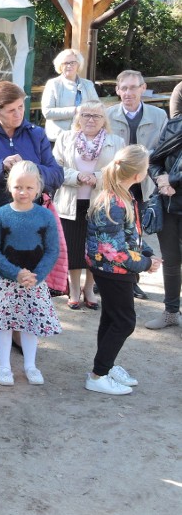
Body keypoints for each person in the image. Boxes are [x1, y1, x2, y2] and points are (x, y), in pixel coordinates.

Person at [0, 80, 63, 359]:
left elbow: (56, 173)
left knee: (26, 275)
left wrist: (27, 173)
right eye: (11, 109)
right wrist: (0, 167)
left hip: (29, 222)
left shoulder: (36, 134)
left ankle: (19, 333)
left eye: (21, 107)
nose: (18, 114)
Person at [0, 161, 62, 386]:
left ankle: (30, 365)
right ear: (10, 186)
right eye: (18, 187)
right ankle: (4, 366)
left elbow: (52, 250)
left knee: (29, 325)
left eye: (29, 188)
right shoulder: (0, 214)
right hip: (4, 281)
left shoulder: (45, 216)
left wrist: (36, 276)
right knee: (3, 324)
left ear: (38, 188)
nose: (23, 192)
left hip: (33, 282)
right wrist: (15, 273)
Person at [84, 144, 161, 395]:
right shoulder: (113, 202)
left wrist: (146, 253)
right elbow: (113, 251)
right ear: (138, 174)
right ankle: (98, 375)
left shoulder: (123, 196)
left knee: (112, 318)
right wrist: (145, 264)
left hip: (115, 270)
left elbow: (129, 235)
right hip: (112, 271)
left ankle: (105, 366)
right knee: (125, 322)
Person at [53, 101, 126, 310]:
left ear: (104, 120)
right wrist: (77, 176)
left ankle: (89, 288)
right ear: (78, 118)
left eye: (96, 116)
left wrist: (97, 178)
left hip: (101, 204)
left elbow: (119, 173)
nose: (91, 119)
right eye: (85, 115)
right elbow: (55, 168)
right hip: (70, 203)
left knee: (97, 249)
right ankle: (74, 288)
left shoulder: (117, 142)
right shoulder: (65, 138)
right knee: (74, 248)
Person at [106, 69, 167, 299]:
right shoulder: (108, 114)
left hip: (143, 183)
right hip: (115, 183)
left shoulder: (159, 115)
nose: (128, 93)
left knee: (136, 233)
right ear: (117, 90)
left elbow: (163, 149)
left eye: (133, 87)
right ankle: (108, 277)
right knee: (113, 231)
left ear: (143, 88)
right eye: (124, 88)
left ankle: (132, 280)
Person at [145, 105, 182, 330]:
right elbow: (154, 160)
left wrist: (173, 180)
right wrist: (160, 180)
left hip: (173, 192)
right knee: (171, 261)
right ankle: (170, 312)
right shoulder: (174, 125)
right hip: (168, 206)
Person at [40, 48, 99, 145]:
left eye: (72, 63)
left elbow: (97, 108)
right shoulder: (53, 84)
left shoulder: (88, 85)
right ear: (60, 66)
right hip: (58, 139)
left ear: (78, 64)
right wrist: (75, 111)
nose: (69, 66)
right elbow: (47, 112)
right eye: (65, 63)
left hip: (85, 138)